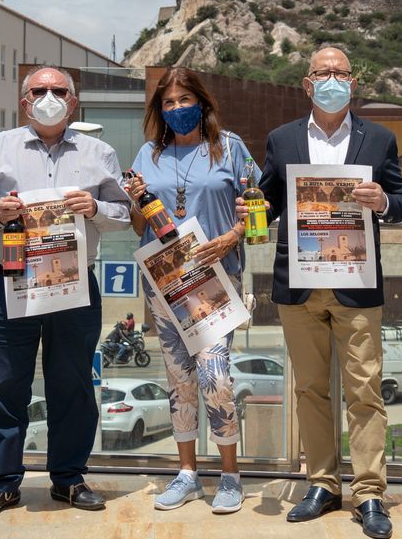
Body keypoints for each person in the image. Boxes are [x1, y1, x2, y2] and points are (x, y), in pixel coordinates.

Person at [0, 66, 131, 519]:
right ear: (24, 100)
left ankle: (69, 478)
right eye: (40, 90)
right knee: (3, 385)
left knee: (72, 383)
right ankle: (2, 484)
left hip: (74, 282)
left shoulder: (100, 152)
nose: (49, 97)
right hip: (9, 279)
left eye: (59, 91)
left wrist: (95, 207)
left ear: (73, 103)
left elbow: (123, 214)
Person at [256, 46, 402, 539]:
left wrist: (382, 199)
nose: (331, 79)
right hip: (298, 284)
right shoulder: (281, 140)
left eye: (340, 73)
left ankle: (369, 493)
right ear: (307, 83)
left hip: (356, 283)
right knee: (310, 389)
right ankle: (321, 484)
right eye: (322, 72)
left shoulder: (380, 138)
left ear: (353, 82)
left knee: (365, 392)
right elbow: (268, 203)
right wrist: (251, 209)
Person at [126, 67, 256, 514]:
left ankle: (231, 476)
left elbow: (258, 207)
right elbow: (137, 224)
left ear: (202, 102)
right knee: (179, 380)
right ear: (159, 110)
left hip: (215, 279)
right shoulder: (148, 153)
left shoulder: (231, 147)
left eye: (185, 100)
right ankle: (186, 474)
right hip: (164, 284)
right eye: (168, 103)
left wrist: (234, 235)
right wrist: (137, 200)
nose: (177, 108)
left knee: (215, 377)